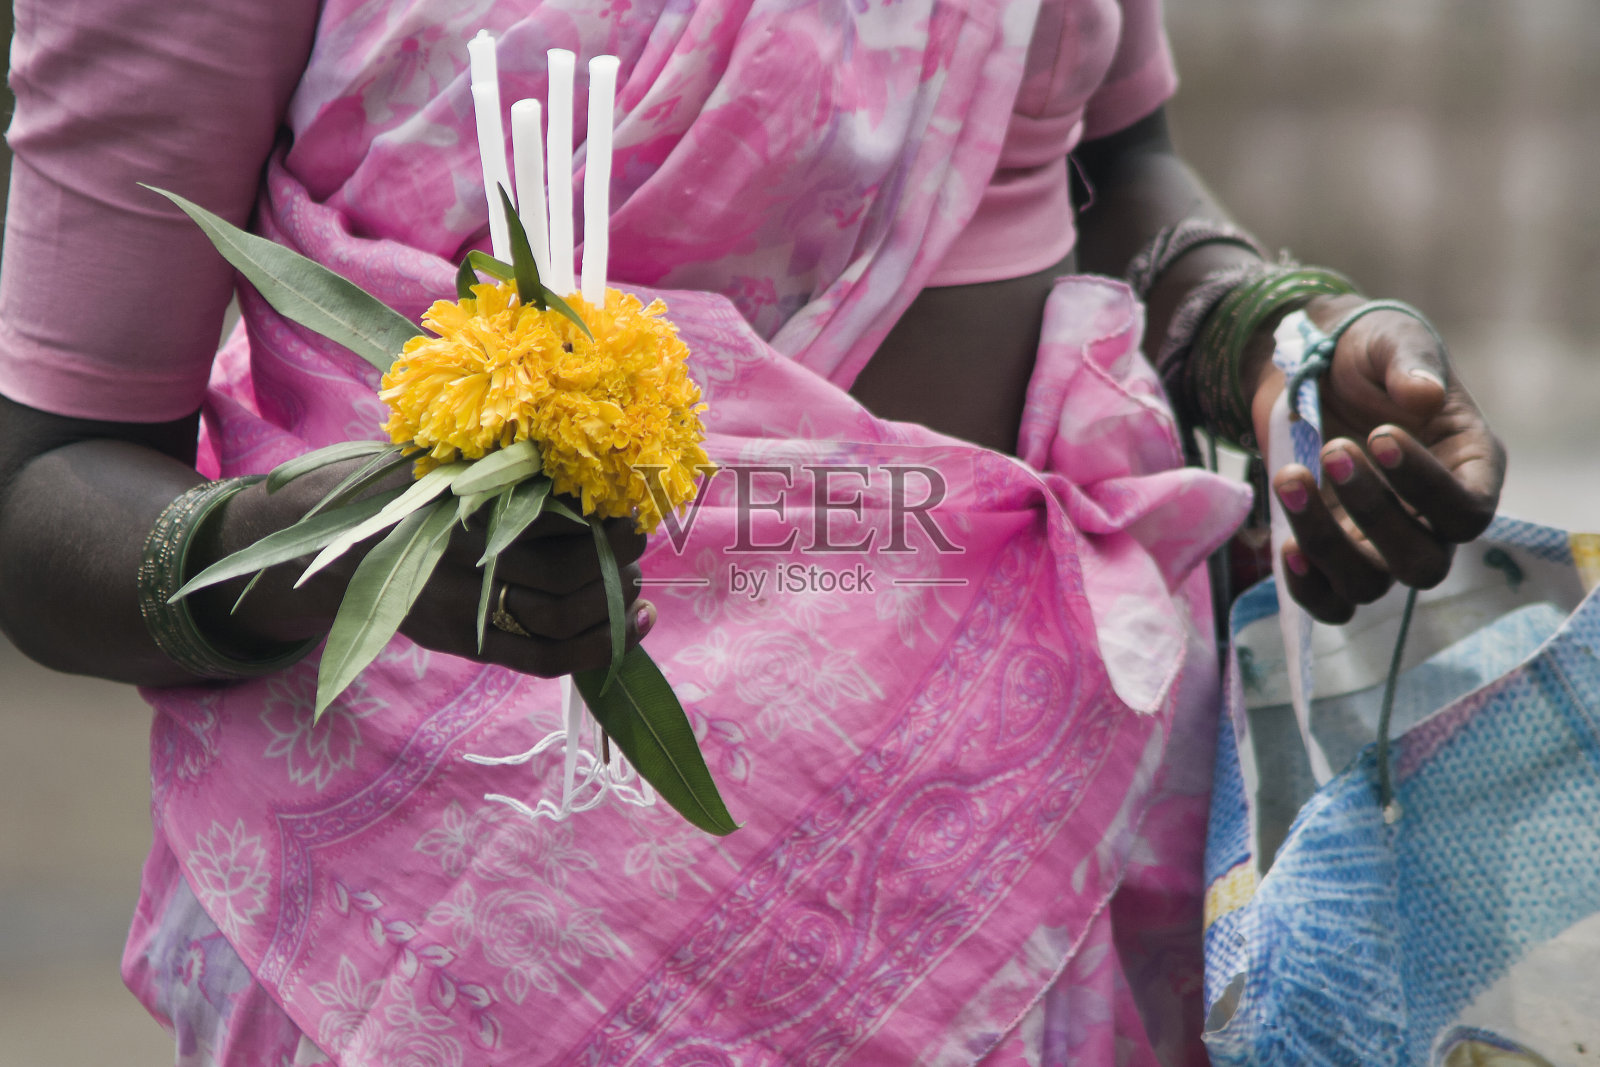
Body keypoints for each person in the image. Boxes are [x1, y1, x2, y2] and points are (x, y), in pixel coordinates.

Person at [0, 0, 1503, 1063]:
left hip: (1017, 896)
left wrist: (1278, 340)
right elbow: (50, 488)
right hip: (470, 941)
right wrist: (358, 549)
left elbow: (1115, 176)